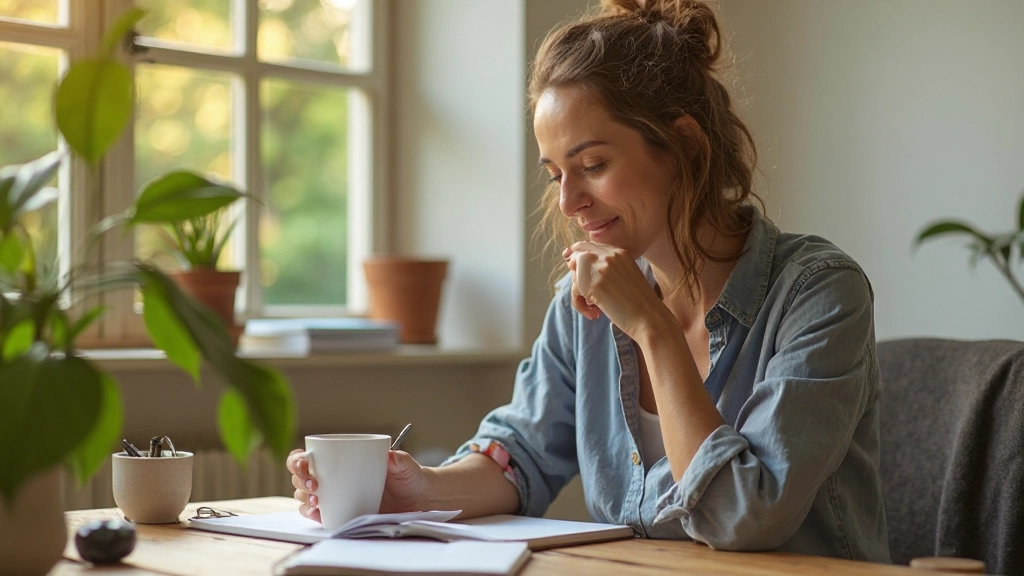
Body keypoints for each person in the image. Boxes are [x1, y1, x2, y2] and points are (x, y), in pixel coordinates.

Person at [287, 0, 891, 562]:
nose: (569, 201)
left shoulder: (819, 293)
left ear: (683, 144)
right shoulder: (581, 306)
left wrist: (652, 327)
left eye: (593, 165)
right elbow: (521, 454)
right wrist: (417, 489)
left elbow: (745, 514)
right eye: (556, 175)